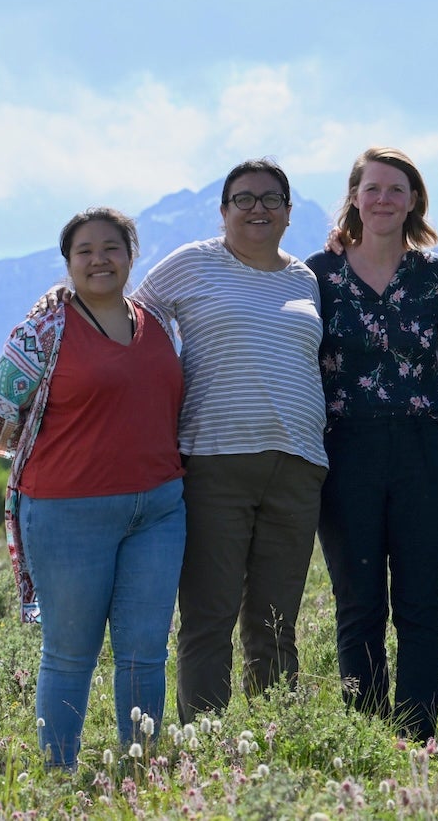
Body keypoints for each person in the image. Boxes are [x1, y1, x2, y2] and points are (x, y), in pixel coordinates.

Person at [0, 207, 186, 769]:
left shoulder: (160, 322)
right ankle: (59, 775)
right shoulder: (44, 327)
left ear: (131, 255)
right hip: (67, 512)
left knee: (146, 654)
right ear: (68, 263)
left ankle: (142, 769)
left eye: (111, 248)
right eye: (85, 251)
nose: (99, 259)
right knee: (70, 654)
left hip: (160, 510)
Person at [134, 158, 329, 722]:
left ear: (290, 213)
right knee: (209, 615)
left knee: (276, 620)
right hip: (213, 462)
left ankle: (275, 736)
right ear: (223, 212)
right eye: (243, 199)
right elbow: (129, 316)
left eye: (271, 199)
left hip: (298, 466)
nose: (258, 209)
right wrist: (62, 299)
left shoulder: (305, 278)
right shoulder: (193, 263)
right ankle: (205, 744)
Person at [307, 146, 438, 741]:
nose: (382, 200)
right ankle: (367, 734)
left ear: (414, 201)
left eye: (395, 190)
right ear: (353, 196)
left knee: (422, 602)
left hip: (427, 448)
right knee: (359, 601)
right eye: (371, 188)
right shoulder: (317, 273)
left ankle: (417, 731)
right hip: (345, 448)